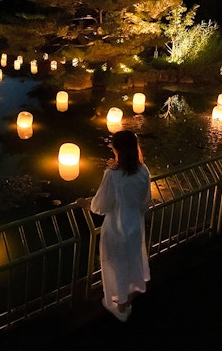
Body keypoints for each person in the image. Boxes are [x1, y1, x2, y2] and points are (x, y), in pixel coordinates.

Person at [76, 130, 151, 322]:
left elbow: (101, 205)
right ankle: (128, 300)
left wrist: (88, 204)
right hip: (134, 225)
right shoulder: (143, 171)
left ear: (115, 149)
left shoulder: (112, 175)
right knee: (132, 262)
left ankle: (121, 307)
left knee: (116, 264)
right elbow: (145, 203)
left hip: (116, 229)